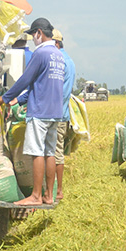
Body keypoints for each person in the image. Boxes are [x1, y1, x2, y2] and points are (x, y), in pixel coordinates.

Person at [0, 17, 65, 206]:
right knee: (49, 152)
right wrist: (18, 99)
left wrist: (6, 97)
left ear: (39, 33)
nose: (33, 40)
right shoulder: (58, 55)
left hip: (40, 111)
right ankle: (49, 195)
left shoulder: (41, 53)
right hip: (55, 111)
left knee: (36, 153)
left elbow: (25, 80)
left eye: (33, 35)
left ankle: (35, 195)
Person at [52, 27, 75, 202]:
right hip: (62, 113)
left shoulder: (60, 61)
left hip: (56, 114)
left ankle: (58, 191)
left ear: (57, 43)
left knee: (56, 153)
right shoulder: (69, 60)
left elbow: (57, 90)